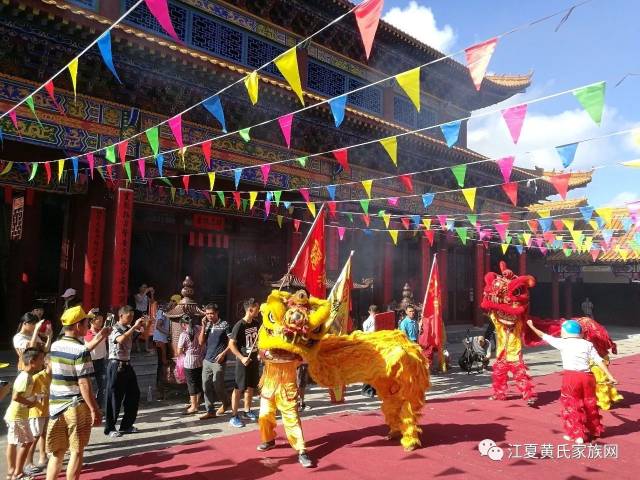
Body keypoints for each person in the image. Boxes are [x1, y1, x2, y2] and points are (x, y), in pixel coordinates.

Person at [527, 319, 618, 443]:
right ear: (580, 333)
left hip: (571, 377)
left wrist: (531, 325)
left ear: (564, 332)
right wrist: (610, 376)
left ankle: (577, 434)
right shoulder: (587, 344)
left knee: (572, 404)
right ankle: (593, 430)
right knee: (589, 403)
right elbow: (598, 361)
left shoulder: (562, 343)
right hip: (588, 377)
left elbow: (542, 335)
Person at [46, 306, 102, 480]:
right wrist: (94, 409)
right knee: (76, 451)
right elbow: (84, 383)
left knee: (58, 452)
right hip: (75, 406)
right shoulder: (80, 351)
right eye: (86, 322)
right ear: (78, 326)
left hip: (56, 406)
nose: (88, 324)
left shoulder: (55, 346)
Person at [257, 349, 313, 468]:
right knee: (264, 415)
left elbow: (305, 356)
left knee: (292, 420)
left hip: (287, 387)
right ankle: (269, 440)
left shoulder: (294, 337)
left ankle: (301, 450)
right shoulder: (267, 333)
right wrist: (267, 354)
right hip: (269, 385)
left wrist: (292, 355)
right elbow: (261, 352)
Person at [4, 347, 45, 480]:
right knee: (28, 441)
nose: (43, 362)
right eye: (41, 360)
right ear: (32, 361)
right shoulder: (26, 377)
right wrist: (31, 404)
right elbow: (16, 396)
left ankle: (12, 472)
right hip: (18, 415)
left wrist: (33, 397)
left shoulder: (26, 376)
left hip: (16, 414)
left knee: (13, 442)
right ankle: (18, 472)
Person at [104, 306, 145, 438]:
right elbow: (120, 339)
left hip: (127, 364)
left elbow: (142, 335)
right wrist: (133, 327)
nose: (131, 319)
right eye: (129, 317)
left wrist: (147, 324)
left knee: (134, 394)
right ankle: (110, 427)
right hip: (116, 365)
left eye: (132, 317)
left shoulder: (129, 328)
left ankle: (127, 425)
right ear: (121, 316)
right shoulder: (114, 328)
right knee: (114, 397)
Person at [228, 298, 261, 428]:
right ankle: (234, 415)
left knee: (251, 386)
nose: (258, 311)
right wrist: (241, 358)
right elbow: (231, 344)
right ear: (250, 309)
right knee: (239, 388)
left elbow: (259, 341)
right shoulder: (239, 325)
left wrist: (259, 353)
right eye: (256, 309)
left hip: (253, 360)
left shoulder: (257, 323)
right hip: (243, 361)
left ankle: (247, 410)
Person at [199, 303, 231, 420]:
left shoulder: (225, 324)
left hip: (219, 361)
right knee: (206, 386)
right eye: (207, 314)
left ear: (217, 313)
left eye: (211, 313)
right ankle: (210, 411)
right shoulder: (207, 325)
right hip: (207, 360)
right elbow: (201, 342)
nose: (209, 316)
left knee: (218, 385)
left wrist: (223, 353)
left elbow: (232, 342)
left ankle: (226, 402)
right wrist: (203, 326)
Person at [84, 310, 111, 410]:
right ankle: (90, 408)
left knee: (103, 385)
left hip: (101, 361)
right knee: (91, 387)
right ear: (91, 322)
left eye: (102, 320)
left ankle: (99, 407)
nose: (100, 322)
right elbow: (93, 340)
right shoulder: (88, 333)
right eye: (98, 320)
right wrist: (104, 332)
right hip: (91, 362)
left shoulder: (103, 332)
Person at [153, 295, 179, 397]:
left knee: (166, 363)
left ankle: (166, 386)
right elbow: (158, 326)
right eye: (176, 304)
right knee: (161, 364)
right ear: (173, 302)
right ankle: (160, 389)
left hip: (166, 341)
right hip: (160, 340)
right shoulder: (162, 311)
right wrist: (169, 333)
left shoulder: (171, 312)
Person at [177, 315, 203, 414]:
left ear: (184, 324)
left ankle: (193, 406)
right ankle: (197, 403)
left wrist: (183, 353)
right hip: (200, 360)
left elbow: (179, 351)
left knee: (191, 384)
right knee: (198, 382)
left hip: (189, 362)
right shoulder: (199, 329)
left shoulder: (184, 334)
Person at [361, 305, 378, 398]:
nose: (374, 313)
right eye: (372, 311)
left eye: (375, 311)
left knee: (376, 369)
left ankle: (374, 389)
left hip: (377, 346)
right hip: (370, 347)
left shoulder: (379, 319)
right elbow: (366, 335)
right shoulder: (366, 322)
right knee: (369, 370)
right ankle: (366, 389)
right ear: (369, 312)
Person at [133, 284, 154, 353]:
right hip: (138, 313)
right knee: (137, 331)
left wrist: (152, 294)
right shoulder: (137, 295)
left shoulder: (146, 296)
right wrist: (147, 291)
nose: (145, 288)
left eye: (146, 287)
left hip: (145, 314)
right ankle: (138, 348)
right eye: (144, 287)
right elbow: (140, 300)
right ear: (140, 288)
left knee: (146, 331)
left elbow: (152, 302)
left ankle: (146, 347)